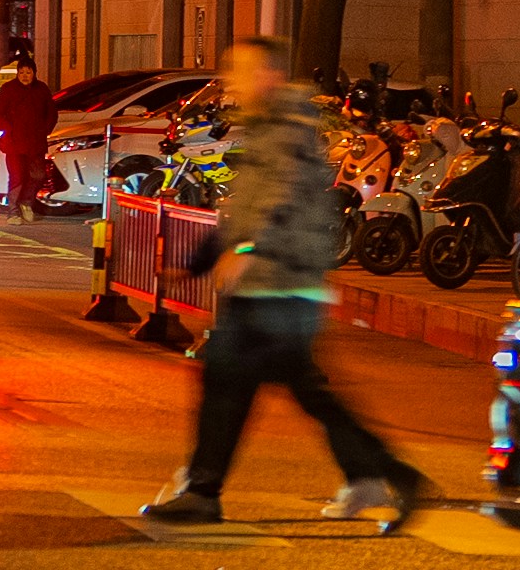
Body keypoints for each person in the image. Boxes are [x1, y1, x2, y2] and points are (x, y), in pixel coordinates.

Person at [143, 38, 425, 531]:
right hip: (277, 287)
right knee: (301, 393)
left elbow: (278, 200)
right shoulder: (268, 128)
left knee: (226, 383)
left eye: (242, 72)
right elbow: (244, 208)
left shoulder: (285, 130)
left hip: (276, 286)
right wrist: (199, 263)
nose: (233, 83)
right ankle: (383, 474)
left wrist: (247, 250)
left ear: (269, 76)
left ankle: (204, 494)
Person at [0, 53, 58, 218]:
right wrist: (9, 128)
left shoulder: (41, 89)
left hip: (36, 143)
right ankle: (13, 211)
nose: (25, 76)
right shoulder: (9, 89)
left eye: (28, 72)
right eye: (21, 72)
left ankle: (26, 202)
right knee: (17, 176)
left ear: (34, 73)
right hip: (14, 143)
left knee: (38, 175)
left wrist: (45, 129)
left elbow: (51, 113)